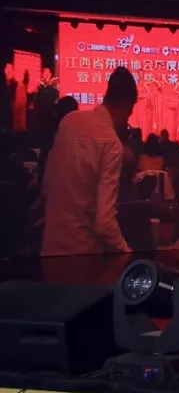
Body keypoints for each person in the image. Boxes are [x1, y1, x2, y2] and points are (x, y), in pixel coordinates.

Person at [41, 67, 137, 257]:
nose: (126, 122)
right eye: (128, 113)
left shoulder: (69, 121)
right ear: (125, 104)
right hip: (82, 254)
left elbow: (47, 185)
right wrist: (126, 253)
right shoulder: (111, 142)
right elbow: (104, 223)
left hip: (50, 248)